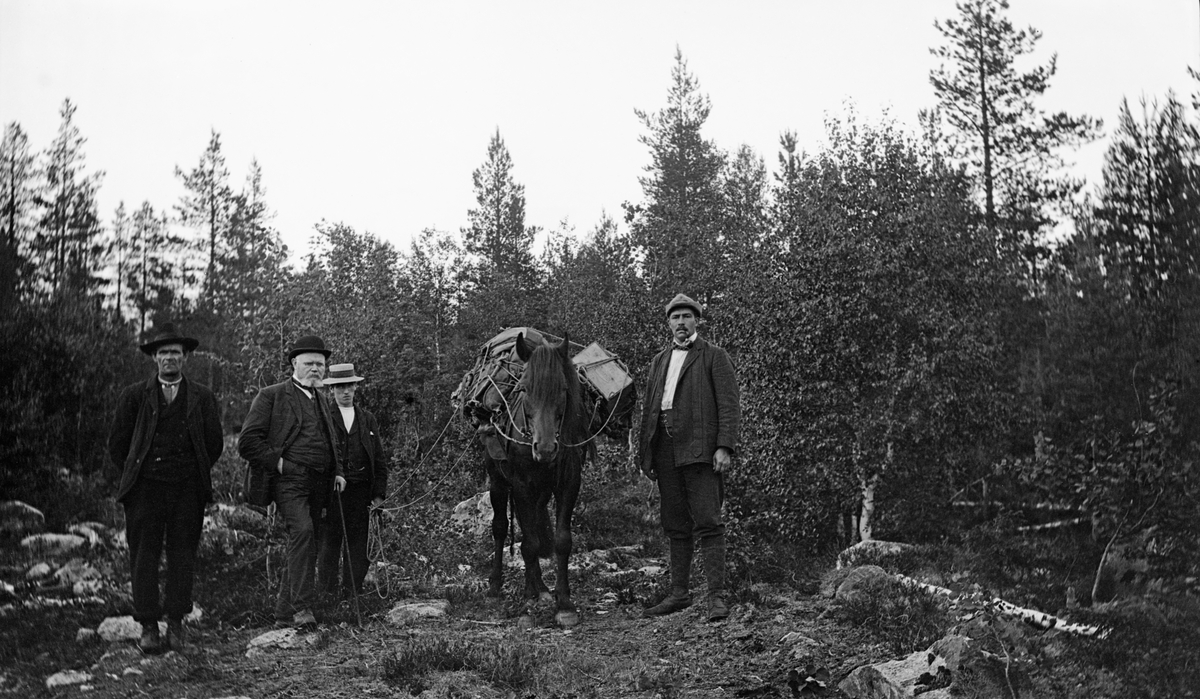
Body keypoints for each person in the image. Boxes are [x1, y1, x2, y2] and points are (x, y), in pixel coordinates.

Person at [109, 323, 223, 653]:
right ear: (154, 359)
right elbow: (118, 445)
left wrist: (191, 471)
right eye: (163, 353)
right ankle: (148, 626)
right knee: (144, 557)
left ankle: (175, 624)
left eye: (175, 352)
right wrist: (139, 474)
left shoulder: (202, 396)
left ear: (185, 357)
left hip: (187, 490)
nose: (169, 358)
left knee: (182, 556)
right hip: (145, 491)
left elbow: (213, 443)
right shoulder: (133, 396)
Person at [639, 294, 741, 622]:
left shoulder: (714, 357)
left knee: (709, 522)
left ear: (697, 320)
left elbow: (728, 405)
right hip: (665, 450)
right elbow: (650, 409)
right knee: (675, 524)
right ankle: (679, 594)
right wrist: (646, 453)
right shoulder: (658, 361)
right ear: (668, 323)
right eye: (675, 317)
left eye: (687, 316)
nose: (681, 322)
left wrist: (724, 446)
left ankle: (716, 597)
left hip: (700, 450)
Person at [238, 335, 345, 627]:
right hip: (289, 482)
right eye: (309, 363)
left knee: (304, 541)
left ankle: (284, 612)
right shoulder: (271, 395)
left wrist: (338, 471)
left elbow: (330, 440)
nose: (315, 369)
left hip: (319, 484)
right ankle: (302, 610)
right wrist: (280, 463)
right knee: (303, 532)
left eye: (320, 364)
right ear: (294, 364)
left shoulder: (321, 399)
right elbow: (247, 442)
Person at [317, 363, 389, 597]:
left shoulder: (367, 419)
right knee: (330, 543)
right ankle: (327, 594)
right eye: (339, 387)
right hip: (332, 493)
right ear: (332, 390)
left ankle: (352, 592)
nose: (345, 392)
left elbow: (378, 459)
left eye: (349, 386)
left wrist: (378, 495)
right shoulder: (324, 417)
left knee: (358, 546)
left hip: (361, 492)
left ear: (356, 387)